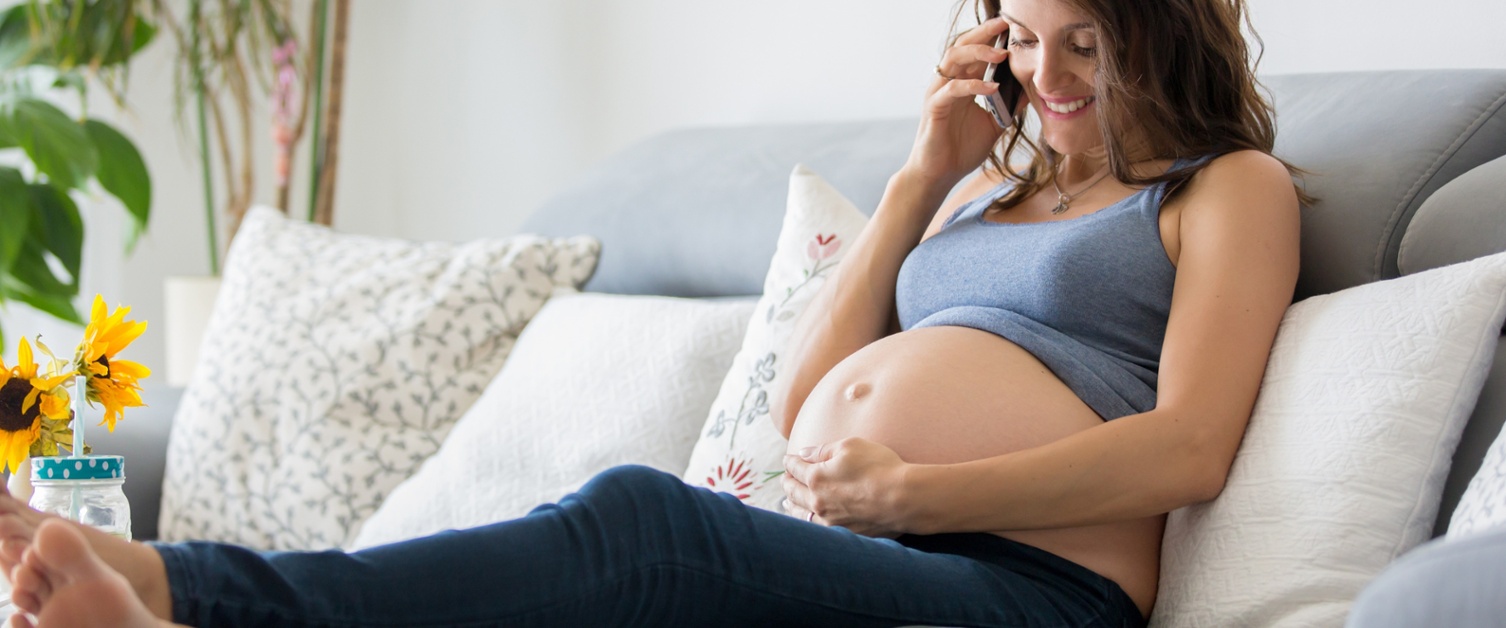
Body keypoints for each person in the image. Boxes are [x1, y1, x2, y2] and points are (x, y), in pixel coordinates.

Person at [0, 0, 1303, 625]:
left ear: (1160, 26)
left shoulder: (1219, 189)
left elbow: (1188, 444)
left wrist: (920, 497)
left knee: (636, 525)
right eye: (1021, 36)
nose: (1047, 73)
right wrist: (919, 177)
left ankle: (190, 597)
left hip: (1034, 596)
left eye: (1083, 40)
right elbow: (804, 406)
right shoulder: (975, 203)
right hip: (886, 555)